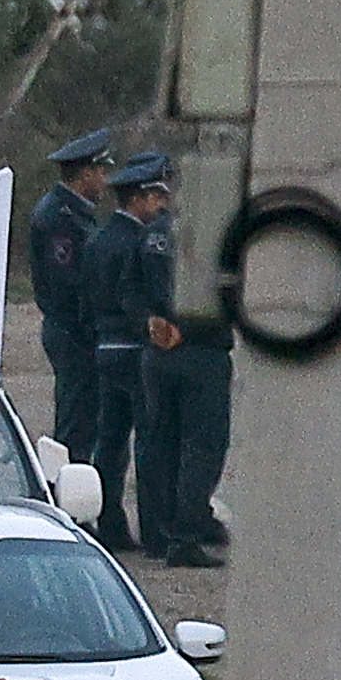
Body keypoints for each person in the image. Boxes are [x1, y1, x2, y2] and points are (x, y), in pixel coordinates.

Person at [135, 169, 234, 568]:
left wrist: (150, 322)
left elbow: (128, 290)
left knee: (164, 443)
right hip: (203, 351)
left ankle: (162, 532)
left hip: (159, 351)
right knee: (203, 447)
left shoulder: (151, 234)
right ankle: (187, 535)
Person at [75, 155, 163, 557]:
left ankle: (107, 520)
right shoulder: (139, 242)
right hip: (134, 346)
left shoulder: (96, 239)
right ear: (139, 198)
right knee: (148, 439)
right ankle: (155, 527)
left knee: (109, 441)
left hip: (104, 346)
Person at [26, 130, 116, 467]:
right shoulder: (59, 218)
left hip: (76, 329)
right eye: (101, 172)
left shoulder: (76, 212)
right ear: (86, 173)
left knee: (85, 421)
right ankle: (66, 497)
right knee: (75, 425)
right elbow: (65, 284)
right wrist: (90, 325)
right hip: (72, 331)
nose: (105, 180)